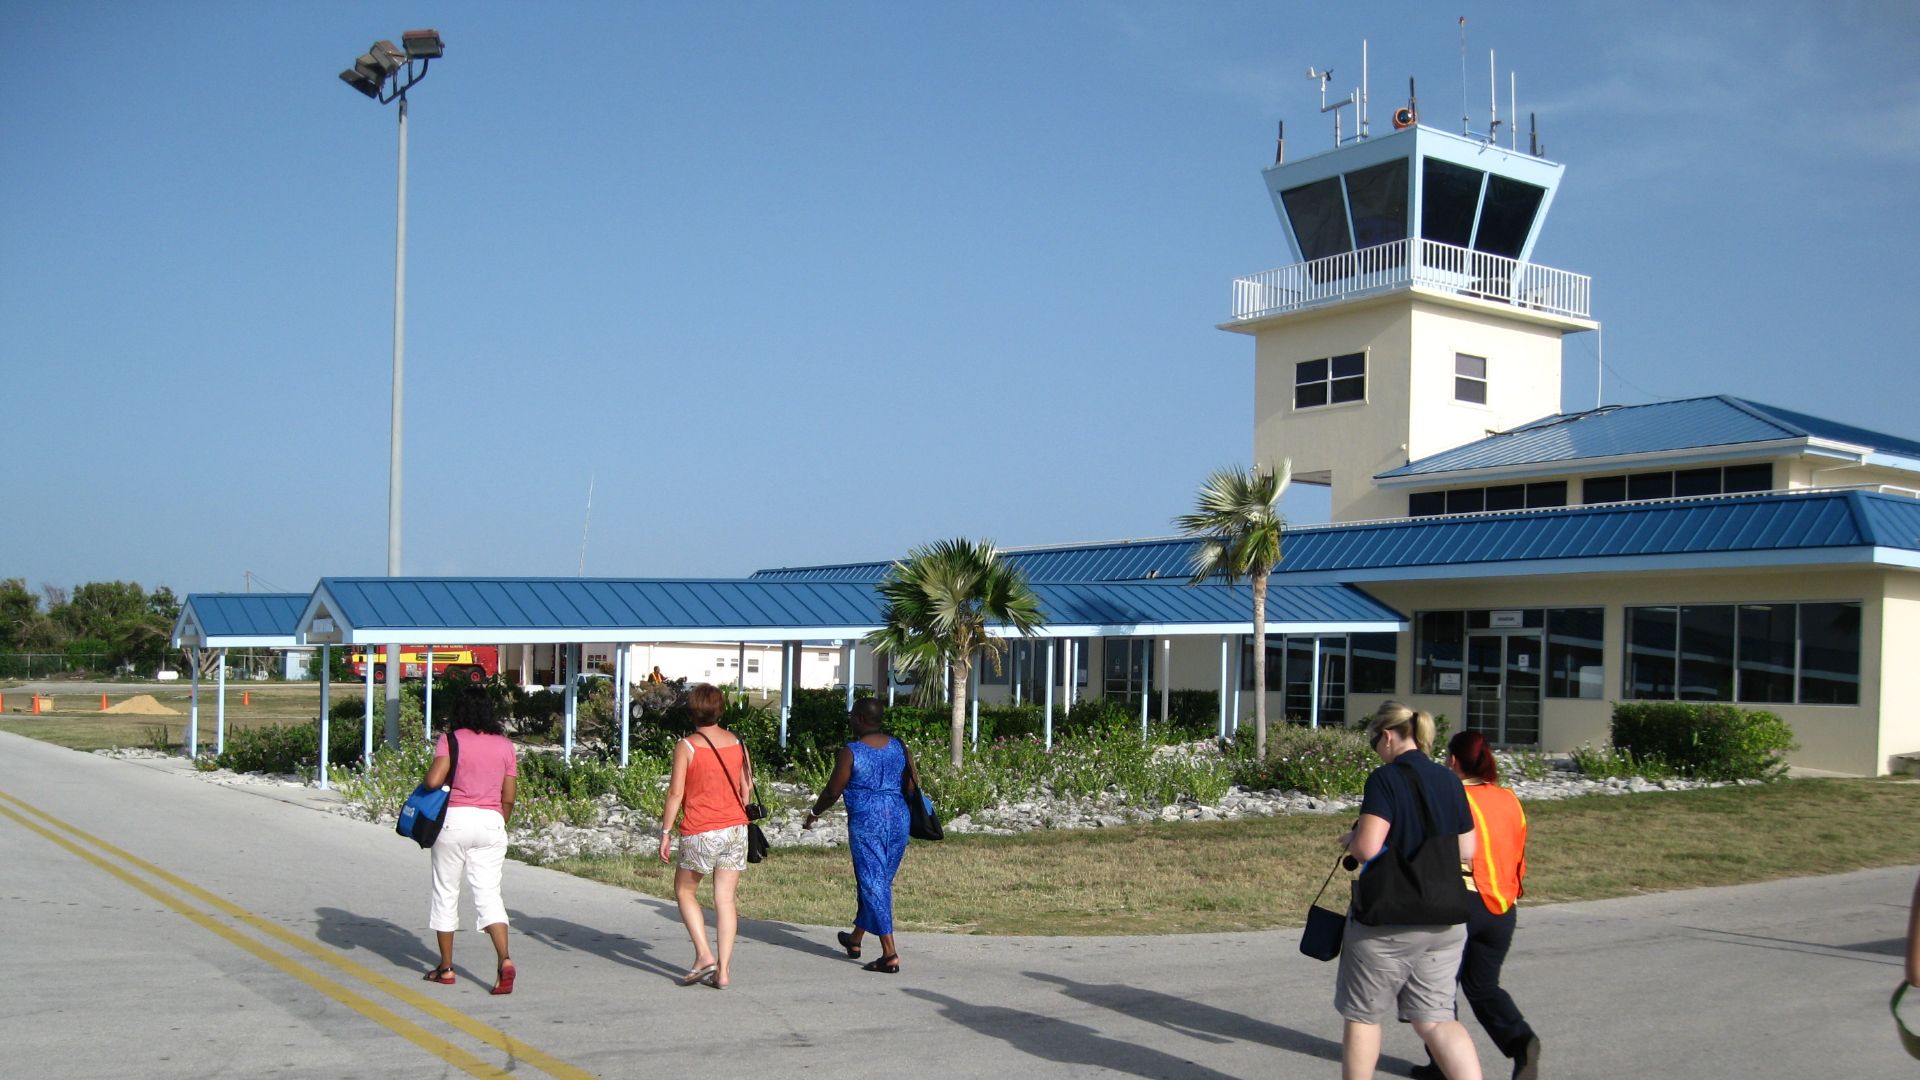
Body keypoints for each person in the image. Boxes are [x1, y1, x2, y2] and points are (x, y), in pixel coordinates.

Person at [1336, 701, 1482, 1080]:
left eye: (1374, 742)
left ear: (1386, 736)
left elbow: (1368, 847)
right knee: (1435, 1019)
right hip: (1446, 918)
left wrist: (1351, 838)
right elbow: (1468, 849)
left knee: (1365, 1016)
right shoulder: (1449, 779)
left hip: (1389, 919)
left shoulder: (1384, 779)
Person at [1410, 730, 1540, 1080]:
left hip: (1462, 902)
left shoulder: (1451, 797)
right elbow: (1518, 853)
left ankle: (1443, 1063)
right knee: (1483, 987)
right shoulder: (1509, 798)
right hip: (1502, 906)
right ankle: (1521, 1040)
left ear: (1452, 760)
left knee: (1438, 986)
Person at [803, 697, 915, 973]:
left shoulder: (851, 751)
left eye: (853, 716)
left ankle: (889, 954)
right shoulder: (899, 746)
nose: (850, 720)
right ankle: (855, 939)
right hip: (899, 817)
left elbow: (833, 790)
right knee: (879, 879)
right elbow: (911, 785)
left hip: (868, 821)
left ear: (863, 720)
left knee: (873, 882)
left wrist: (815, 812)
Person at [422, 686, 519, 994]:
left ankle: (446, 968)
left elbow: (434, 781)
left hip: (454, 820)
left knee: (446, 892)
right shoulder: (505, 746)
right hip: (491, 822)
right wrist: (499, 819)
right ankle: (504, 959)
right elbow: (509, 796)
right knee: (489, 895)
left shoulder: (450, 741)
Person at [658, 683, 752, 989]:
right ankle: (723, 971)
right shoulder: (738, 742)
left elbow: (676, 793)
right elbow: (745, 788)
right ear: (720, 708)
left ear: (692, 710)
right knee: (725, 898)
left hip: (701, 829)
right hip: (736, 828)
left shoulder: (686, 746)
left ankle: (703, 955)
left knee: (685, 891)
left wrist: (666, 832)